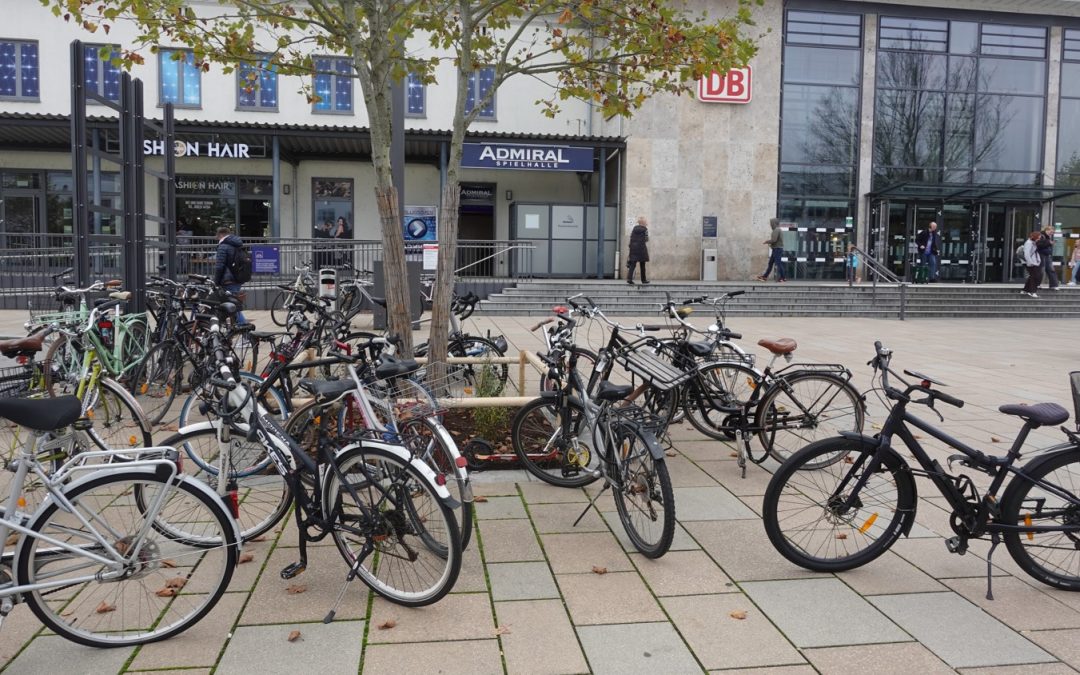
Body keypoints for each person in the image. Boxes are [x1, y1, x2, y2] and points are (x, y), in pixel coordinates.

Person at [214, 225, 247, 323]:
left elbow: (219, 266)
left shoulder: (223, 246)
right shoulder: (237, 244)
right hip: (237, 278)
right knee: (231, 305)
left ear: (220, 235)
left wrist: (216, 281)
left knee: (233, 307)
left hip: (228, 280)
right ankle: (234, 329)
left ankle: (244, 328)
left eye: (217, 237)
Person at [756, 218, 786, 282]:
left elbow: (774, 240)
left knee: (778, 263)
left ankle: (783, 278)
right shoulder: (778, 230)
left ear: (774, 223)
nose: (770, 225)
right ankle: (765, 276)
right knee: (771, 263)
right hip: (776, 249)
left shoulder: (776, 230)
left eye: (771, 223)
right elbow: (776, 240)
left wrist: (767, 242)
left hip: (777, 249)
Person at [626, 216, 650, 285]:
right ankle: (643, 280)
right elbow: (646, 239)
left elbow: (631, 237)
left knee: (632, 265)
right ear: (644, 223)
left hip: (633, 249)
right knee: (642, 265)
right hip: (641, 249)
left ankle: (629, 279)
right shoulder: (645, 229)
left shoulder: (634, 228)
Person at [1037, 225, 1060, 290]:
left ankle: (1054, 285)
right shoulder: (1041, 236)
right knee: (1041, 270)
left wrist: (1050, 243)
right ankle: (1037, 284)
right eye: (1051, 232)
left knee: (1051, 270)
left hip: (1046, 255)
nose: (1051, 234)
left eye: (1052, 233)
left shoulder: (1047, 237)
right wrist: (1049, 243)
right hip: (1041, 255)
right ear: (1047, 230)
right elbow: (1039, 245)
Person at [1021, 230, 1043, 298]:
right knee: (1036, 276)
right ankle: (1032, 291)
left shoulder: (1033, 243)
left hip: (1034, 262)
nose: (1039, 239)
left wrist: (1038, 260)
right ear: (1035, 237)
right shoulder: (1029, 243)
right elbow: (1027, 254)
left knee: (1033, 276)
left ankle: (1025, 290)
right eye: (1038, 238)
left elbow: (1035, 252)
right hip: (1030, 262)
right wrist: (1030, 262)